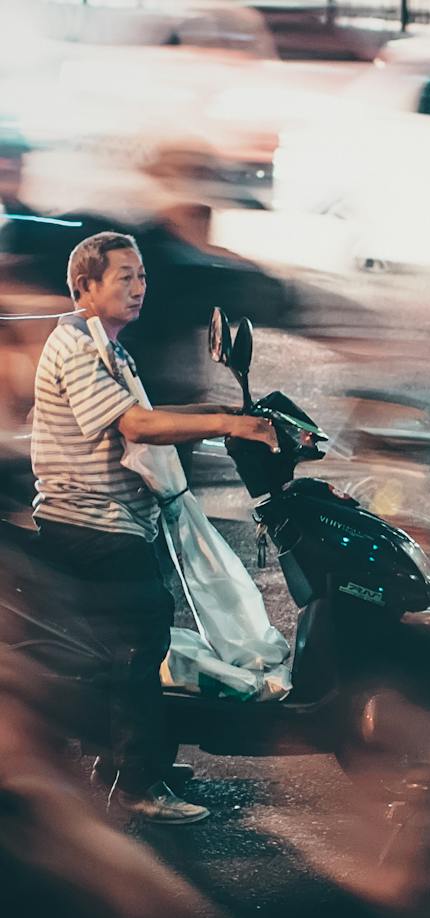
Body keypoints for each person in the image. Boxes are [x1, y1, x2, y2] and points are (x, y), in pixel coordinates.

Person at [29, 230, 274, 823]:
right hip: (90, 521)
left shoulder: (109, 346)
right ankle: (135, 783)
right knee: (140, 643)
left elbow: (149, 411)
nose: (140, 289)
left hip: (115, 520)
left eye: (142, 276)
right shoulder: (76, 349)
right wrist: (231, 426)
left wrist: (237, 416)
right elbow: (136, 426)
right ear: (86, 287)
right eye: (125, 278)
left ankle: (132, 758)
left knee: (141, 638)